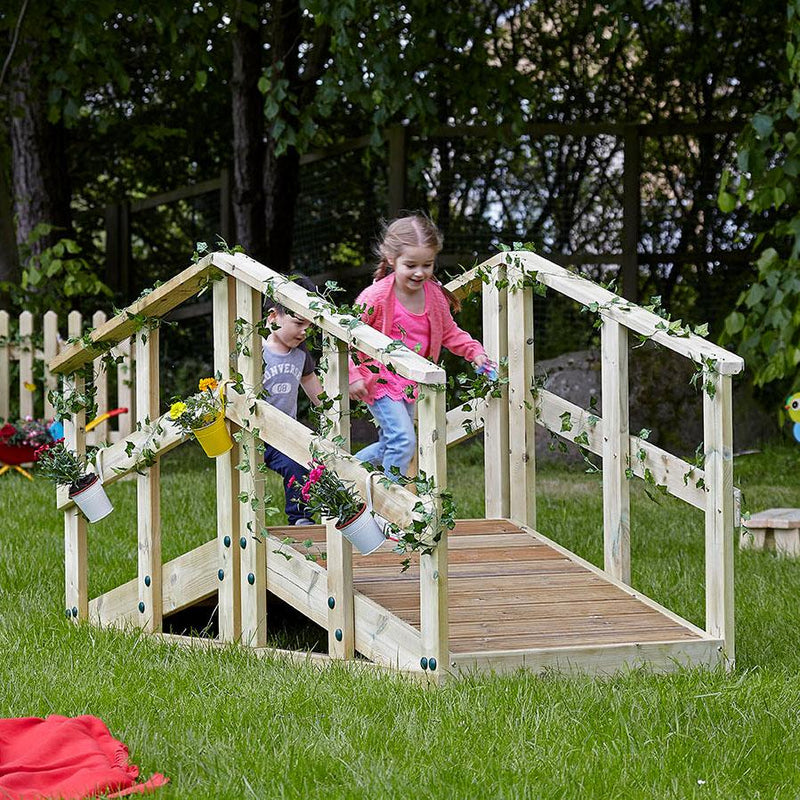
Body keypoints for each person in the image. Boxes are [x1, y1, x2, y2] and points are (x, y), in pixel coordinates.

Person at [349, 214, 491, 479]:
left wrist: (475, 352)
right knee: (403, 441)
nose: (419, 272)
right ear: (392, 260)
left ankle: (338, 475)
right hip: (379, 380)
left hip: (411, 382)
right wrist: (353, 375)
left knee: (395, 444)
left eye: (427, 264)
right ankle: (391, 506)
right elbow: (345, 336)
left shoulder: (434, 296)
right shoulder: (376, 296)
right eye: (410, 265)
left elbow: (449, 332)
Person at [262, 275, 323, 525]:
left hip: (288, 431)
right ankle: (301, 518)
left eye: (308, 326)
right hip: (260, 433)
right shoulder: (255, 350)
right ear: (273, 316)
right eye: (298, 323)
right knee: (295, 464)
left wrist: (331, 412)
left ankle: (340, 519)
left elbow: (311, 384)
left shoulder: (300, 354)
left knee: (318, 462)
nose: (303, 331)